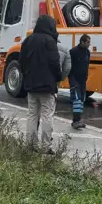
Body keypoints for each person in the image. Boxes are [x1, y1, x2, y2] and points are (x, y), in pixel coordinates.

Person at [20, 14, 62, 153]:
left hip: (31, 84)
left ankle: (31, 144)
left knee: (32, 114)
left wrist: (26, 75)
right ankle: (46, 146)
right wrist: (58, 77)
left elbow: (22, 61)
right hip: (47, 85)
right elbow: (55, 63)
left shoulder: (28, 40)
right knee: (47, 115)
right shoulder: (50, 41)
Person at [69, 34, 91, 129]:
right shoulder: (73, 52)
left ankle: (78, 120)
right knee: (77, 99)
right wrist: (70, 78)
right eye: (87, 42)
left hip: (82, 80)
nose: (89, 44)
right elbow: (69, 65)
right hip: (74, 78)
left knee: (82, 99)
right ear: (82, 42)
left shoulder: (87, 52)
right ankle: (75, 121)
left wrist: (86, 76)